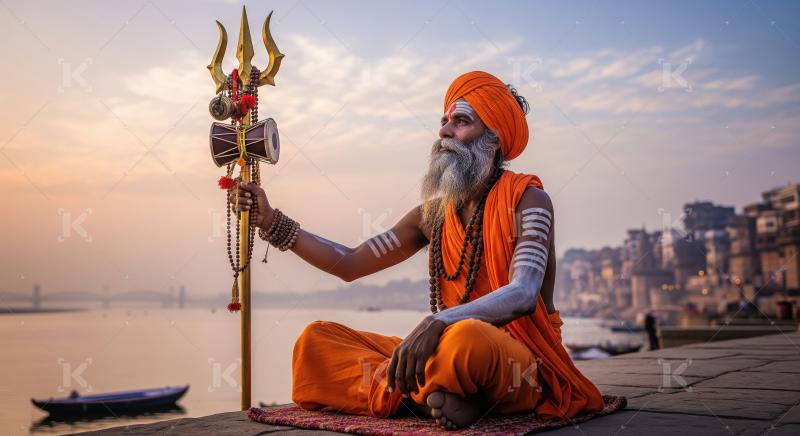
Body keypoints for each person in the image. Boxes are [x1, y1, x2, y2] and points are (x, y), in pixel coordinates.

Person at [236, 71, 604, 430]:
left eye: (461, 122)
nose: (444, 132)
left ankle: (419, 394)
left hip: (516, 362)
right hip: (446, 351)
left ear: (493, 139)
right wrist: (271, 222)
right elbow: (348, 262)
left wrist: (439, 321)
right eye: (444, 121)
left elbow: (523, 293)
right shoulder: (432, 217)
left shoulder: (530, 200)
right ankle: (439, 395)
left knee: (466, 340)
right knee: (315, 343)